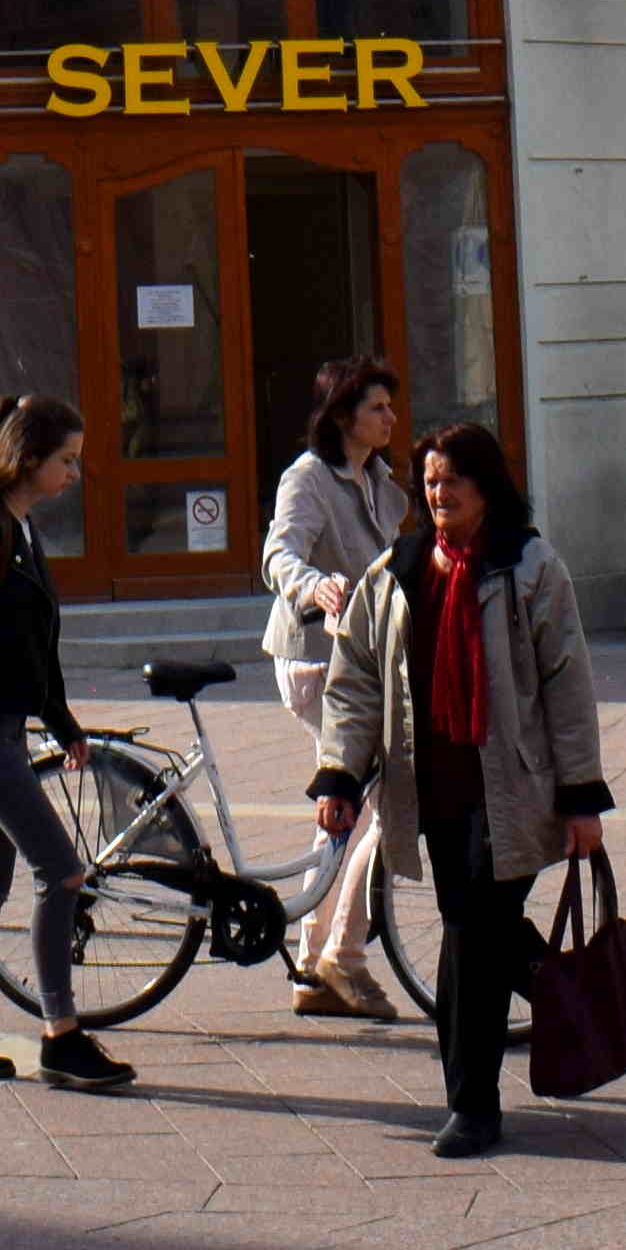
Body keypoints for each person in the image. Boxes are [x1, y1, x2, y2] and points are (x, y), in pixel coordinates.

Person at [306, 417, 613, 1160]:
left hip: (513, 786)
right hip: (433, 788)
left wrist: (581, 796)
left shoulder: (531, 567)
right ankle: (560, 994)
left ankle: (472, 1104)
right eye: (430, 481)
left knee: (468, 937)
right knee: (473, 925)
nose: (439, 493)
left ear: (487, 487)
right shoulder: (399, 570)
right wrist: (341, 773)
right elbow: (354, 682)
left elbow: (566, 689)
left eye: (454, 481)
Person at [0, 394, 134, 1093]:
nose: (75, 472)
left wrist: (63, 724)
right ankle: (61, 1036)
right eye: (66, 459)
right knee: (63, 874)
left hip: (4, 725)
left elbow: (34, 645)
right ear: (29, 460)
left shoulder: (20, 529)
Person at [257, 359, 414, 1020]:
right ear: (345, 415)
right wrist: (312, 585)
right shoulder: (309, 477)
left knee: (348, 810)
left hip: (366, 665)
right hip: (317, 660)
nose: (390, 419)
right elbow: (278, 553)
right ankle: (338, 958)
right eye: (378, 407)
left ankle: (317, 965)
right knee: (384, 802)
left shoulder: (381, 482)